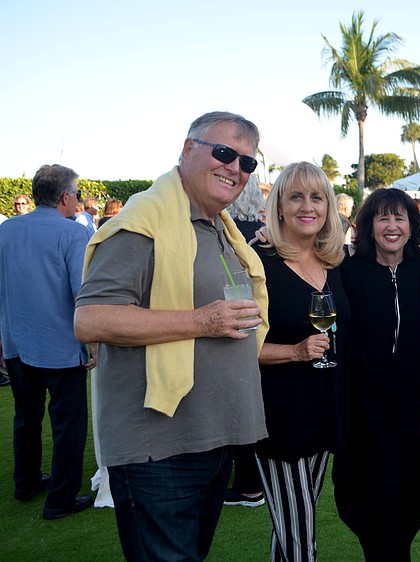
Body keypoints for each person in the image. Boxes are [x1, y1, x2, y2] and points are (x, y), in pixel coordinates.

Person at [74, 111, 269, 561]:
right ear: (187, 150)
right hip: (157, 449)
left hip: (212, 439)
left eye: (247, 162)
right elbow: (92, 320)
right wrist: (204, 322)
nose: (235, 168)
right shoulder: (145, 222)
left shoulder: (219, 227)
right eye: (223, 153)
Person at [332, 188, 420, 561]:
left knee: (412, 497)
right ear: (368, 225)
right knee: (369, 498)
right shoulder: (347, 271)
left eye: (400, 218)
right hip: (364, 406)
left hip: (411, 405)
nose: (392, 226)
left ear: (413, 225)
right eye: (383, 218)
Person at [253, 161, 349, 562]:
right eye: (296, 196)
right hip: (280, 418)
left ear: (328, 207)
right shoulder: (258, 261)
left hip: (324, 411)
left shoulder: (336, 261)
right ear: (278, 206)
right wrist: (294, 352)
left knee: (293, 526)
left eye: (316, 197)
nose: (307, 206)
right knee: (299, 539)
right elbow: (238, 345)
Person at [0, 164, 94, 519]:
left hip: (17, 341)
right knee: (68, 423)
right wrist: (95, 341)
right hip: (60, 344)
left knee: (26, 416)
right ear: (66, 196)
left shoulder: (6, 229)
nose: (79, 199)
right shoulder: (71, 233)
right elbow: (83, 293)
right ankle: (61, 498)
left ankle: (25, 481)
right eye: (77, 193)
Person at [221, 173, 267, 508]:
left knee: (239, 408)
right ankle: (254, 482)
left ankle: (248, 484)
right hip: (266, 331)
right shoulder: (263, 237)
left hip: (239, 333)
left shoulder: (226, 237)